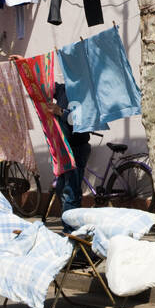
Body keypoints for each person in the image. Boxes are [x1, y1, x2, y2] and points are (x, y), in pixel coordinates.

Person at [47, 82, 92, 214]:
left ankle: (70, 229)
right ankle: (70, 224)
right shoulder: (62, 89)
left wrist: (60, 112)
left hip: (77, 147)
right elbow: (41, 83)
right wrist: (22, 63)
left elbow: (81, 120)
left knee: (70, 190)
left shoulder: (85, 91)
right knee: (62, 188)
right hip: (63, 148)